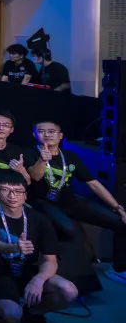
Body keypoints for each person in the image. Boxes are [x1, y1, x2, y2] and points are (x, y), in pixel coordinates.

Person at [25, 119, 126, 284]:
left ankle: (118, 269)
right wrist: (42, 160)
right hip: (42, 202)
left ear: (60, 136)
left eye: (51, 131)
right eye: (41, 131)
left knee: (120, 223)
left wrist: (118, 208)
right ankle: (64, 275)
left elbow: (93, 184)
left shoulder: (70, 156)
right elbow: (35, 176)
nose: (47, 135)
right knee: (68, 228)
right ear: (34, 135)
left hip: (70, 201)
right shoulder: (29, 153)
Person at [0, 173, 79, 323]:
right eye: (5, 190)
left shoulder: (40, 220)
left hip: (27, 269)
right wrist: (14, 248)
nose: (12, 196)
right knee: (11, 315)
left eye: (18, 191)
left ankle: (34, 314)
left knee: (69, 291)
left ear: (25, 195)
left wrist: (38, 280)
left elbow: (50, 260)